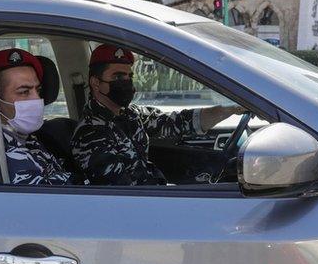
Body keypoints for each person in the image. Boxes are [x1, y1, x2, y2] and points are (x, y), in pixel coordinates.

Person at [71, 44, 244, 186]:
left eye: (129, 76)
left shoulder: (131, 114)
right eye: (118, 77)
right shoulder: (91, 133)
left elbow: (177, 122)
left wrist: (229, 110)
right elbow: (122, 192)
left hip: (153, 195)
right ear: (96, 83)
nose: (126, 82)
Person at [0, 48, 78, 185]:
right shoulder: (0, 151)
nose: (37, 98)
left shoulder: (28, 138)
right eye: (24, 92)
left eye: (38, 90)